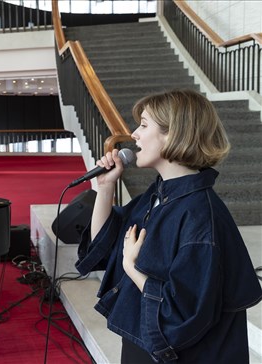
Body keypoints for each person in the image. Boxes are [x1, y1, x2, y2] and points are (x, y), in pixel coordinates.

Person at [75, 89, 262, 363]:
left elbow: (184, 316)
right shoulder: (156, 197)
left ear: (174, 134)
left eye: (144, 125)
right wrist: (105, 188)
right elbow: (102, 249)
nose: (134, 134)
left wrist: (132, 269)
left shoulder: (199, 216)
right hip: (148, 340)